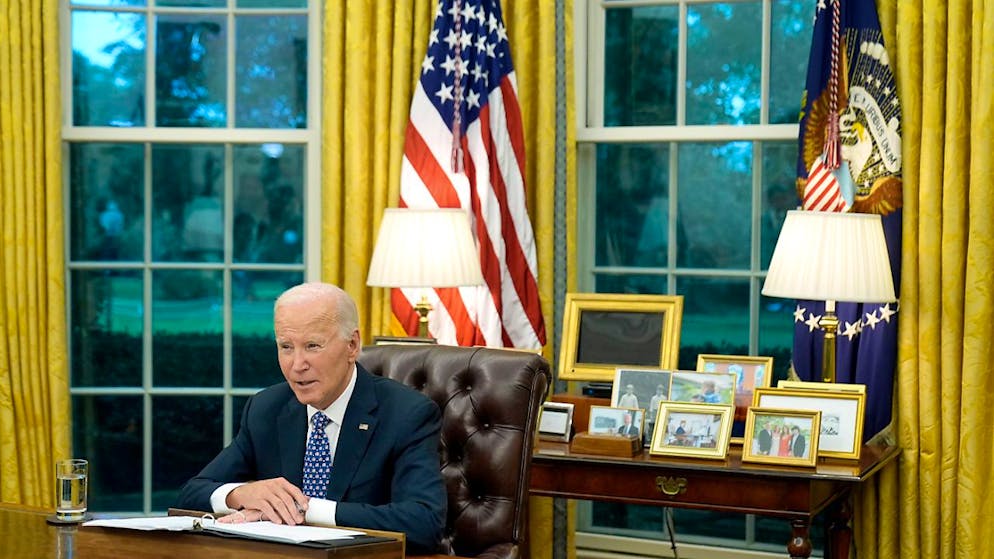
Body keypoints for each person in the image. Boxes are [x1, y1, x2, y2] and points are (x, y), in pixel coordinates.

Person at [175, 282, 446, 553]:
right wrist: (239, 495)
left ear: (352, 345)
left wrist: (304, 509)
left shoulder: (406, 413)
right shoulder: (266, 408)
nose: (297, 365)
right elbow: (191, 494)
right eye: (286, 347)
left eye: (312, 346)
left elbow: (423, 523)